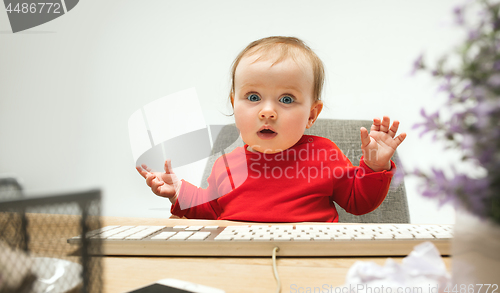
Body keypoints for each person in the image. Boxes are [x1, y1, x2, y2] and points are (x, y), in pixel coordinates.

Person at [136, 36, 406, 222]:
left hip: (310, 257)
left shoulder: (325, 154)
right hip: (240, 258)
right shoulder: (227, 165)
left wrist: (373, 168)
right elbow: (209, 209)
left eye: (286, 99)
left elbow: (359, 203)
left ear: (312, 114)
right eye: (253, 97)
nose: (267, 111)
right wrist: (179, 192)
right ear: (234, 104)